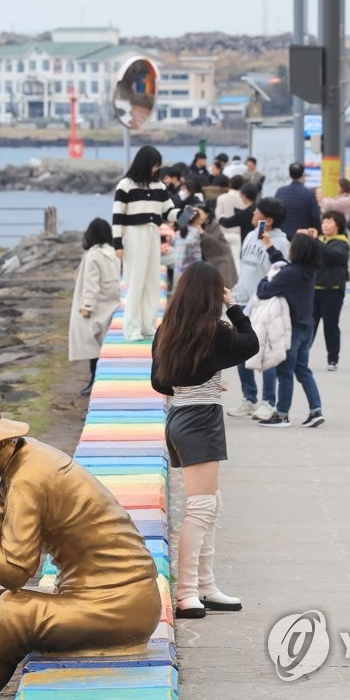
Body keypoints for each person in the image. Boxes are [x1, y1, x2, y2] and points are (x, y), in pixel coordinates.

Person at [0, 381, 162, 700]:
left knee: (9, 615)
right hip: (104, 599)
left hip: (120, 606)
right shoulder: (12, 465)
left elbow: (14, 573)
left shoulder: (29, 478)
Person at [150, 263, 259, 618]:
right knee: (202, 507)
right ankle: (187, 593)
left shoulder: (167, 329)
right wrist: (235, 306)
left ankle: (206, 586)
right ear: (214, 293)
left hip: (179, 417)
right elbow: (251, 344)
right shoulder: (216, 330)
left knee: (211, 502)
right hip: (200, 419)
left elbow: (159, 382)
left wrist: (197, 383)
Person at [226, 198, 291, 420]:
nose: (253, 214)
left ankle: (268, 401)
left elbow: (279, 272)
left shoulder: (281, 242)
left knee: (265, 354)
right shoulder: (251, 235)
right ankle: (249, 398)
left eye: (257, 213)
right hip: (241, 300)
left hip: (263, 304)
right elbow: (245, 267)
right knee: (238, 352)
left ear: (269, 220)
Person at [255, 231, 324, 428]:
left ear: (298, 251)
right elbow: (283, 263)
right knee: (303, 370)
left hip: (291, 331)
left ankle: (282, 414)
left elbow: (264, 291)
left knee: (285, 372)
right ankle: (315, 410)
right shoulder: (307, 271)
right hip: (307, 328)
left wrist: (264, 279)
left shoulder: (291, 274)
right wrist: (269, 247)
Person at [112, 145, 178, 341]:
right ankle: (132, 328)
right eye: (154, 165)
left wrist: (185, 215)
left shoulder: (159, 187)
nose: (156, 169)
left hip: (152, 234)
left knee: (152, 282)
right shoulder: (126, 185)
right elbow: (118, 215)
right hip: (134, 234)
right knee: (135, 281)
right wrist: (118, 243)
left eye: (158, 166)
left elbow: (169, 212)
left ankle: (148, 325)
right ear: (145, 164)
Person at [69, 218, 121, 396]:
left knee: (93, 349)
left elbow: (91, 284)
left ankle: (94, 381)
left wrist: (86, 307)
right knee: (105, 348)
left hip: (96, 308)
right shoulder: (114, 253)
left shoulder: (93, 256)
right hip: (112, 304)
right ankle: (100, 381)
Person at [313, 211, 349, 372]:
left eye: (329, 222)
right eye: (324, 222)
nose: (325, 225)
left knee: (331, 326)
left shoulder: (341, 243)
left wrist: (315, 242)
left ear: (338, 225)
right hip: (314, 290)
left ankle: (332, 359)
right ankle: (301, 356)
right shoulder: (319, 241)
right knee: (309, 326)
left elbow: (332, 255)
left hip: (332, 291)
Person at [196, 200, 238, 289]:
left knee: (221, 288)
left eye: (200, 214)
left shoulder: (214, 224)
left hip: (221, 258)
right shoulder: (197, 224)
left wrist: (201, 231)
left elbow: (213, 242)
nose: (197, 217)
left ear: (207, 214)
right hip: (207, 260)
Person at [274, 162, 321, 239]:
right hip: (301, 238)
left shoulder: (280, 192)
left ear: (289, 175)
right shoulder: (309, 193)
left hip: (281, 236)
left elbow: (274, 213)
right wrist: (317, 233)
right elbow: (315, 216)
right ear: (303, 175)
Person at [220, 182, 258, 252]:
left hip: (247, 246)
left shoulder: (243, 214)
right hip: (259, 246)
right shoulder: (259, 209)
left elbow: (227, 223)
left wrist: (221, 217)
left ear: (244, 196)